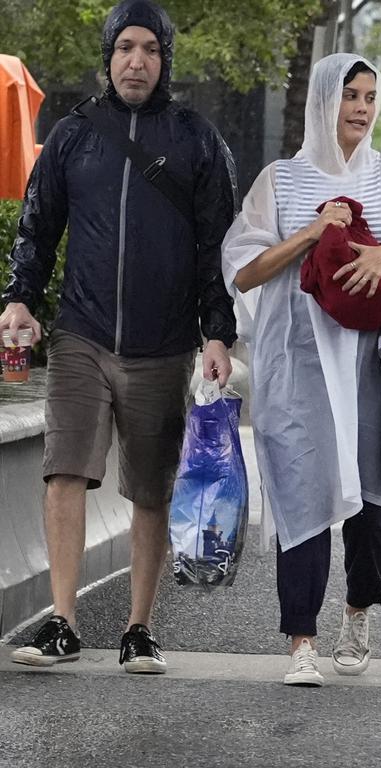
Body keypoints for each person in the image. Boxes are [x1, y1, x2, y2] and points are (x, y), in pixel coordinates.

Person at [3, 0, 237, 674]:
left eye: (151, 50)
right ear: (108, 56)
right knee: (63, 470)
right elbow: (38, 226)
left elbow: (214, 245)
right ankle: (63, 622)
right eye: (126, 47)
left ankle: (140, 627)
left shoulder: (196, 139)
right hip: (81, 335)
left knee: (152, 490)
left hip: (164, 344)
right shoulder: (76, 134)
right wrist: (20, 297)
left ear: (166, 59)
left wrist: (217, 333)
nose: (137, 60)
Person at [221, 53, 381, 687]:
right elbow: (242, 271)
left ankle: (358, 608)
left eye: (370, 96)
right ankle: (301, 638)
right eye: (349, 94)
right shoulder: (281, 179)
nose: (360, 107)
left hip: (373, 359)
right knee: (299, 487)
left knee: (369, 490)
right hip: (297, 362)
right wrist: (309, 233)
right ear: (323, 102)